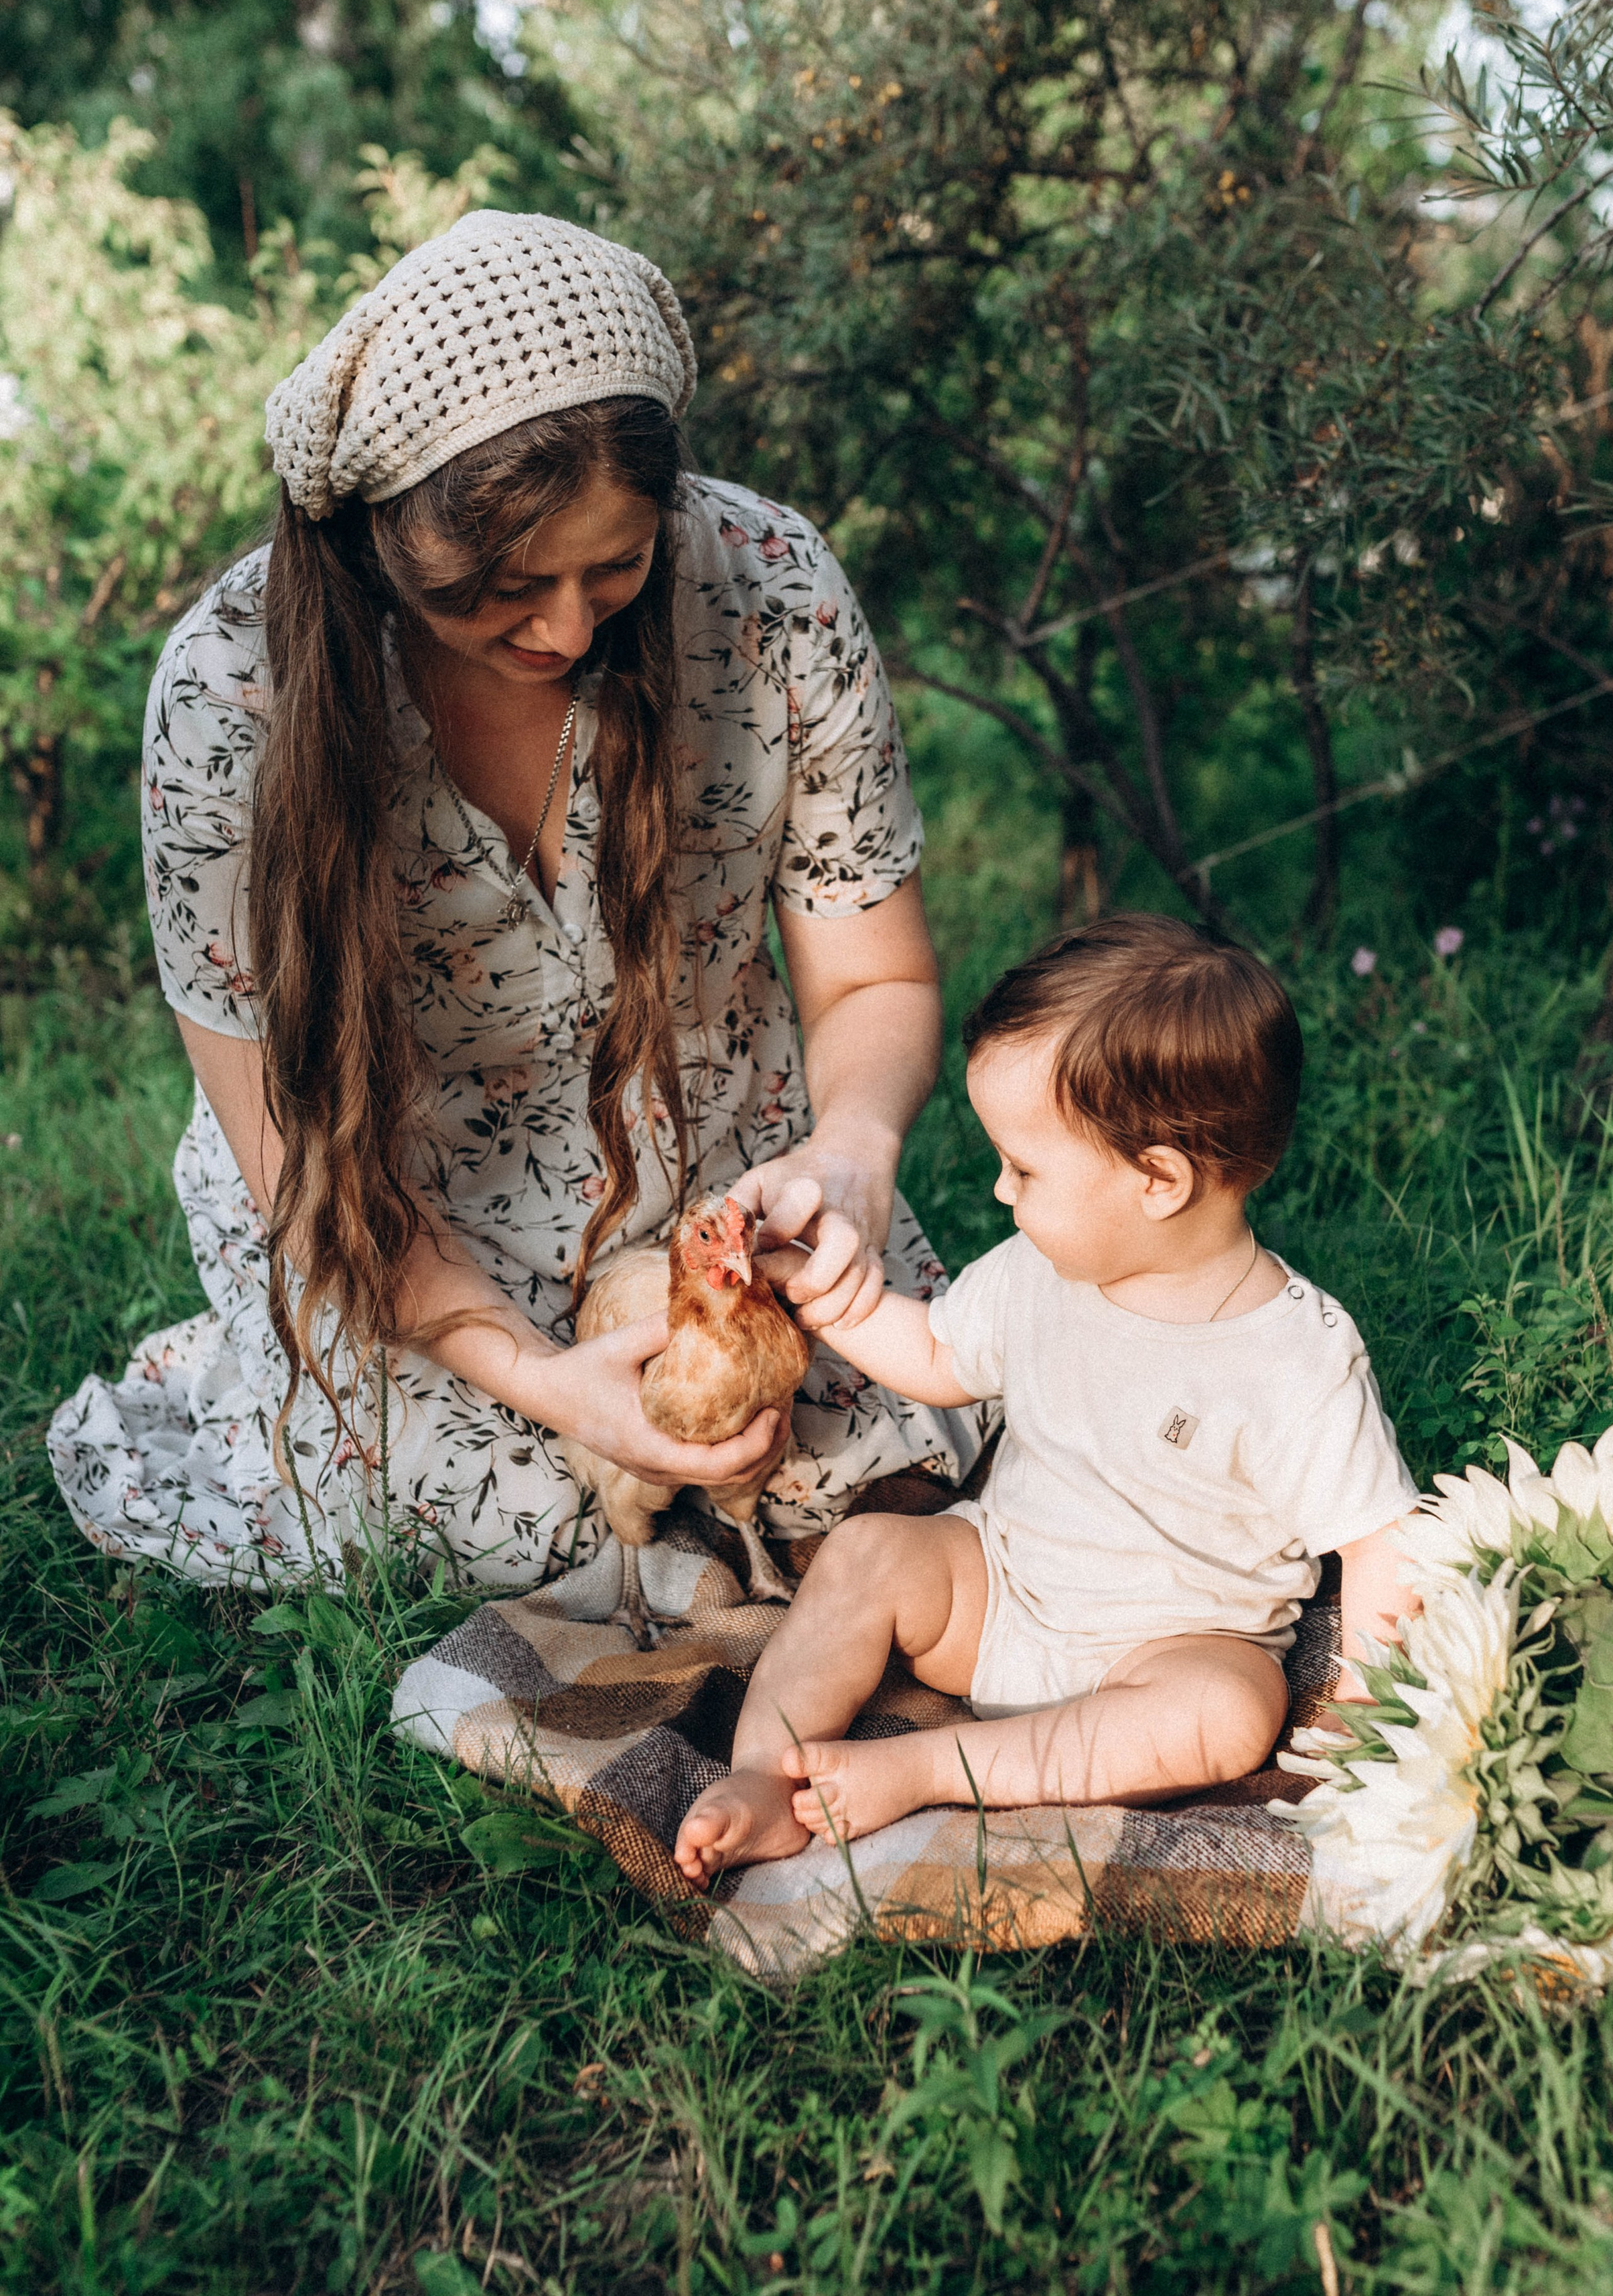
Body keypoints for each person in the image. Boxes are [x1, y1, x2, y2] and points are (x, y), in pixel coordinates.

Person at [46, 212, 981, 1590]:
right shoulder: (228, 697)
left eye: (615, 567)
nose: (562, 630)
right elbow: (301, 1160)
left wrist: (848, 1156)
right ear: (378, 535)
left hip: (723, 1173)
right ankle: (264, 1366)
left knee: (872, 1459)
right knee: (498, 1529)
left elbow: (872, 980)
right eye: (495, 588)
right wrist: (548, 1381)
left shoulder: (773, 593)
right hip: (392, 1214)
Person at [675, 914, 1421, 1887]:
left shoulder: (1297, 1360)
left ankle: (924, 1770)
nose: (998, 1189)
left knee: (1233, 1712)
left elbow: (1377, 1538)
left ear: (1158, 1180)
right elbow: (938, 1355)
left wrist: (1364, 1712)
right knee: (869, 1553)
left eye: (1024, 1169)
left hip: (1168, 1648)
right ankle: (766, 1780)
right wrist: (810, 1282)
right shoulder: (1040, 1271)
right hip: (998, 1590)